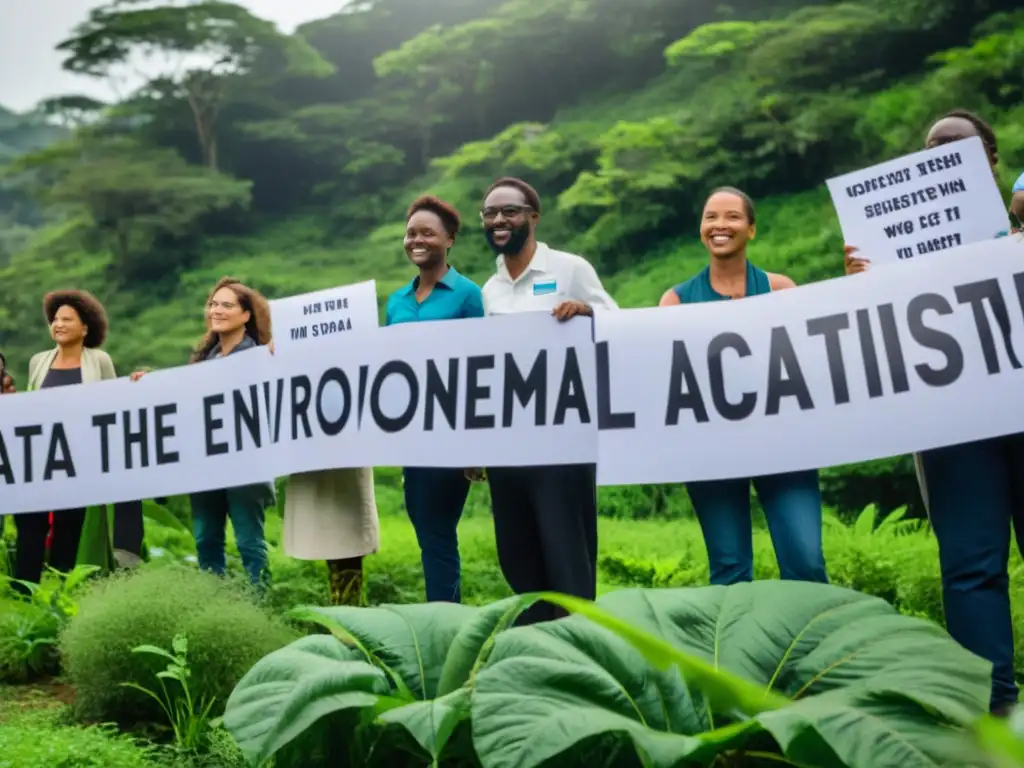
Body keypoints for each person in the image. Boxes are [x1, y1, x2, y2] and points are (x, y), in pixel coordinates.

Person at [844, 109, 1020, 715]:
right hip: (953, 424)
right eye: (931, 147)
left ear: (990, 161)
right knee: (971, 567)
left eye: (957, 147)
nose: (940, 155)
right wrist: (863, 286)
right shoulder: (890, 248)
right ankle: (994, 709)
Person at [659, 187, 828, 587]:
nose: (720, 225)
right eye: (711, 217)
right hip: (712, 453)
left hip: (783, 447)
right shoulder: (676, 301)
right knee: (729, 569)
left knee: (805, 562)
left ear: (751, 229)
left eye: (732, 217)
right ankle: (735, 650)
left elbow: (814, 361)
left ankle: (809, 648)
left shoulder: (780, 290)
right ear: (701, 228)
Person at [479, 176, 616, 625]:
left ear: (532, 218)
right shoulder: (488, 290)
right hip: (507, 444)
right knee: (517, 552)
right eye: (490, 213)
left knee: (566, 550)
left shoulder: (570, 269)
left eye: (509, 211)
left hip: (564, 441)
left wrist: (587, 312)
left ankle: (578, 643)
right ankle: (536, 646)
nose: (499, 220)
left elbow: (619, 323)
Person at [131, 277, 275, 588]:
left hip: (245, 465)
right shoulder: (206, 360)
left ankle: (260, 606)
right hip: (206, 465)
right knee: (206, 541)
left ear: (246, 315)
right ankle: (215, 601)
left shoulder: (261, 356)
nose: (217, 310)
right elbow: (187, 391)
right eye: (213, 304)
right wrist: (152, 381)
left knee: (249, 541)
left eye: (227, 305)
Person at [383, 195, 485, 602]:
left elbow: (482, 366)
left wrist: (475, 444)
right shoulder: (396, 302)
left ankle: (446, 617)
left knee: (439, 530)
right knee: (426, 530)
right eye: (411, 233)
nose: (417, 240)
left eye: (428, 232)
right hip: (412, 434)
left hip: (452, 431)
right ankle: (441, 612)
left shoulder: (467, 295)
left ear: (449, 240)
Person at [15, 290, 117, 587]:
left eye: (67, 319)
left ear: (85, 327)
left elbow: (115, 404)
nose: (58, 324)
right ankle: (24, 592)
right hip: (39, 460)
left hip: (79, 462)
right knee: (30, 527)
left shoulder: (99, 361)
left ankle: (60, 590)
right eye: (55, 319)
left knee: (68, 528)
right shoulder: (39, 361)